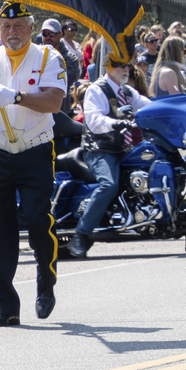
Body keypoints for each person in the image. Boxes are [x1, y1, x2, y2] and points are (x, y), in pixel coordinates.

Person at [0, 1, 67, 327]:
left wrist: (17, 97)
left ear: (31, 28)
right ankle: (5, 306)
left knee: (36, 218)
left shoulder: (49, 57)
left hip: (34, 148)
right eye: (6, 27)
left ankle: (46, 280)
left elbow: (54, 101)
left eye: (19, 25)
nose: (12, 32)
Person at [70, 58, 154, 258]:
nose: (126, 70)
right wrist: (114, 123)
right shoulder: (97, 90)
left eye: (128, 66)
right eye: (121, 66)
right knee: (109, 184)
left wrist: (168, 109)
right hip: (100, 150)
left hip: (124, 148)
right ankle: (81, 234)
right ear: (109, 67)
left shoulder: (127, 91)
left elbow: (148, 105)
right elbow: (94, 119)